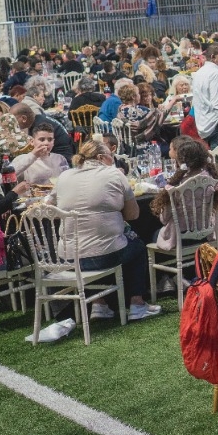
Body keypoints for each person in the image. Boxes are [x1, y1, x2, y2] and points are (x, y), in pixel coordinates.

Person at [47, 138, 161, 336]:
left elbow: (48, 205)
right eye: (111, 156)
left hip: (68, 258)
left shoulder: (64, 176)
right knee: (137, 247)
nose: (113, 159)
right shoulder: (114, 174)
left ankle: (100, 304)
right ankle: (137, 303)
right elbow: (133, 215)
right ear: (101, 157)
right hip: (104, 254)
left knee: (105, 243)